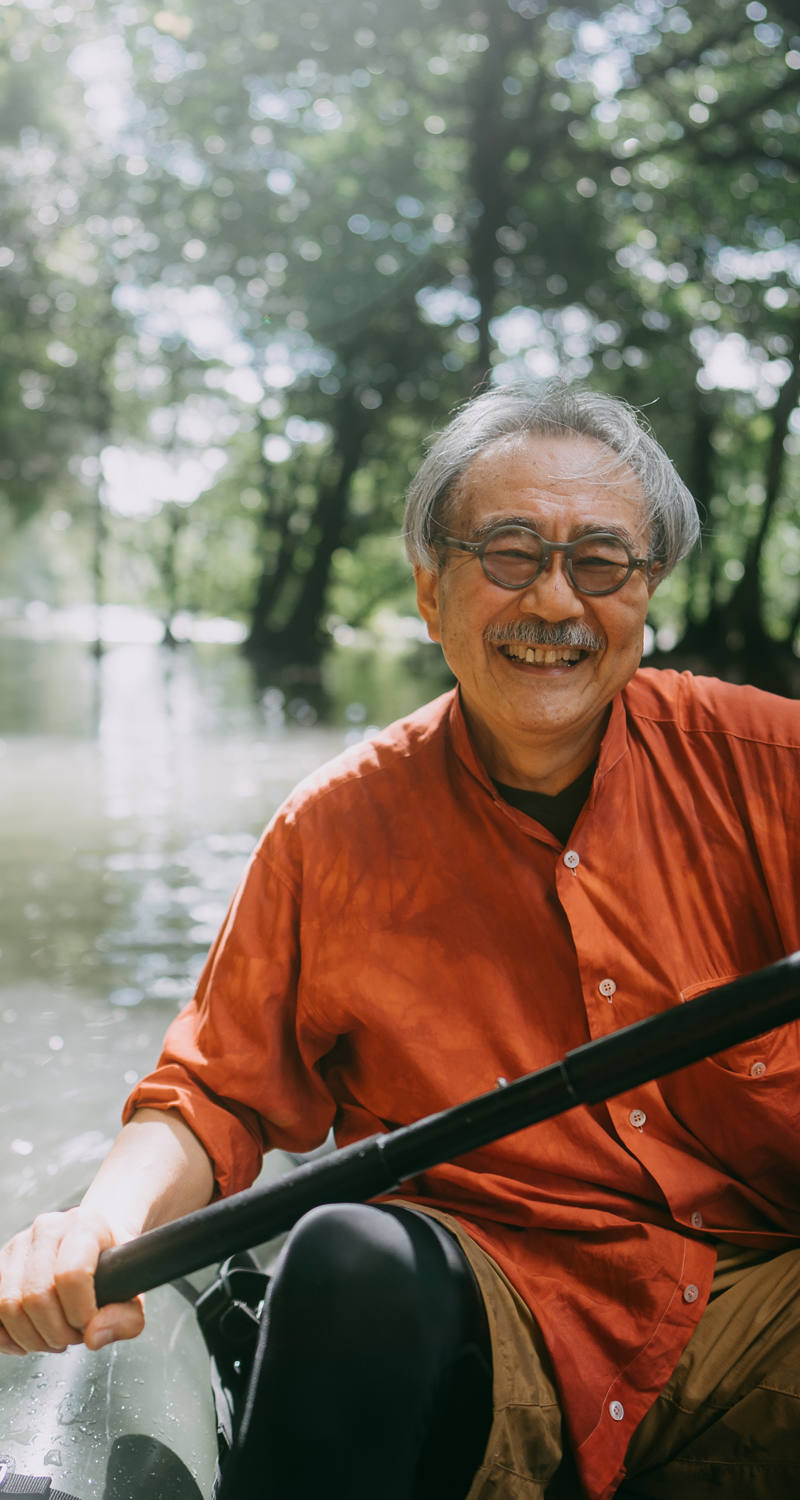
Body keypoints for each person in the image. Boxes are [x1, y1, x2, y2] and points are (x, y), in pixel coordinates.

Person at [1, 381, 799, 1500]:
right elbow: (212, 1094)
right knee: (345, 1254)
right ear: (431, 591)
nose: (554, 600)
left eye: (600, 561)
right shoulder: (331, 830)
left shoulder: (773, 767)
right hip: (505, 1295)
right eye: (509, 552)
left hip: (770, 1290)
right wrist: (94, 1227)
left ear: (647, 592)